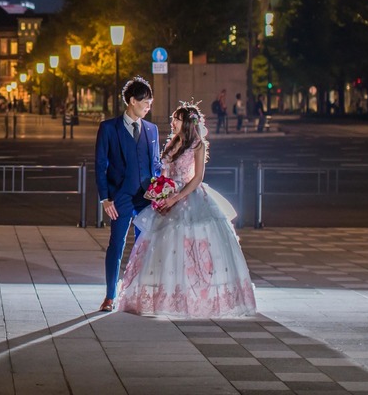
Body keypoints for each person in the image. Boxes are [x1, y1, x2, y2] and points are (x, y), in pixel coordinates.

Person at [116, 101, 257, 318]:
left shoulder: (197, 145)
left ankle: (195, 297)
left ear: (188, 123)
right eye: (173, 119)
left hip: (189, 196)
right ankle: (162, 296)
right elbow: (163, 173)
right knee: (161, 247)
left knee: (191, 246)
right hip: (168, 195)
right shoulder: (173, 143)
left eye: (177, 119)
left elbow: (197, 177)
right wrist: (160, 193)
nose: (173, 123)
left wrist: (176, 197)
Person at [95, 76, 162, 313]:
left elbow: (155, 164)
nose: (148, 107)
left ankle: (140, 295)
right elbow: (100, 165)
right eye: (146, 102)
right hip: (120, 197)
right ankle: (110, 296)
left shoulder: (152, 130)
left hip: (146, 198)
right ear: (132, 101)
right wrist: (105, 198)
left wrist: (161, 189)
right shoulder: (108, 128)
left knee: (145, 247)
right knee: (116, 245)